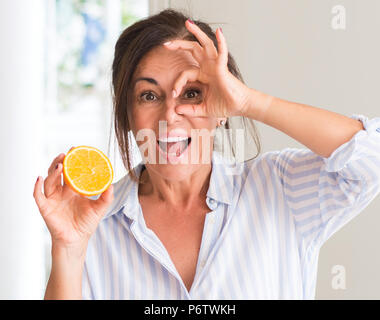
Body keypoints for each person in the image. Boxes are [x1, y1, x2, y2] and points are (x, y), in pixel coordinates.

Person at [33, 9, 380, 299]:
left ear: (222, 105)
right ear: (126, 113)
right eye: (149, 96)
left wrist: (249, 101)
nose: (170, 115)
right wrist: (68, 249)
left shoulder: (279, 189)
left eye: (192, 93)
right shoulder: (96, 226)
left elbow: (370, 160)